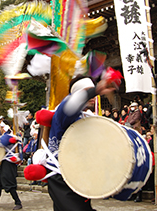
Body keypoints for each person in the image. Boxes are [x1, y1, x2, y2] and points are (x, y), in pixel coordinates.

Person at [47, 75, 115, 211]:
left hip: (78, 174)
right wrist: (96, 89)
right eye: (86, 91)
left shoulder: (85, 117)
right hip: (60, 176)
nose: (93, 95)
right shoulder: (63, 111)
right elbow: (72, 103)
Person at [0, 125, 23, 210]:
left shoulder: (8, 136)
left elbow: (0, 144)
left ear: (3, 128)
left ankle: (18, 202)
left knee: (9, 183)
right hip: (6, 162)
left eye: (1, 127)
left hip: (9, 162)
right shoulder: (12, 136)